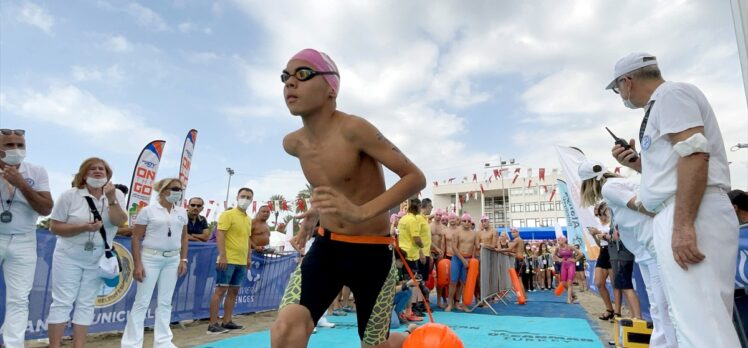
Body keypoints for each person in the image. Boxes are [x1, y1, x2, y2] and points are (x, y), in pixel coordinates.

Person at [271, 48, 425, 348]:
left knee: (374, 345)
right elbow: (326, 187)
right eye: (285, 77)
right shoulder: (294, 144)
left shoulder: (354, 129)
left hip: (372, 252)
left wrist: (361, 212)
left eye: (303, 74)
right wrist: (310, 221)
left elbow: (414, 177)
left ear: (331, 88)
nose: (290, 83)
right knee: (285, 330)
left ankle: (407, 339)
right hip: (327, 247)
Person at [608, 52, 739, 347]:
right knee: (695, 319)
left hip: (690, 209)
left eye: (617, 89)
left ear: (627, 82)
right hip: (684, 208)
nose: (620, 96)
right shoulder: (663, 102)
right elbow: (672, 168)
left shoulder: (670, 95)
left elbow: (695, 152)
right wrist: (638, 165)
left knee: (702, 323)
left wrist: (682, 225)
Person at [579, 159, 676, 347]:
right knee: (659, 306)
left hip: (652, 248)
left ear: (588, 184)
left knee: (662, 306)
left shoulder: (610, 188)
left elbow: (648, 208)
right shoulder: (617, 186)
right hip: (647, 250)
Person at [47, 158, 127, 348]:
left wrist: (112, 199)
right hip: (68, 256)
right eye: (93, 169)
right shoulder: (69, 196)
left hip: (97, 258)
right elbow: (55, 227)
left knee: (86, 303)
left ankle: (79, 346)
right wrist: (83, 227)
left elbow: (119, 221)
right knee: (62, 302)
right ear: (84, 174)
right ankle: (55, 345)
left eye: (102, 169)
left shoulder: (116, 196)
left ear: (108, 175)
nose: (98, 171)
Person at [0, 129, 53, 348]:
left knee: (19, 299)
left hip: (24, 239)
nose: (15, 150)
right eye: (9, 145)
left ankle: (13, 344)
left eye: (20, 145)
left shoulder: (37, 171)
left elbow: (46, 208)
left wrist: (21, 183)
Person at [121, 178, 188, 348]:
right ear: (163, 190)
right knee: (142, 302)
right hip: (150, 258)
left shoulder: (182, 212)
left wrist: (183, 259)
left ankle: (163, 342)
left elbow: (184, 237)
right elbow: (136, 237)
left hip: (173, 259)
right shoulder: (148, 211)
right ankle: (131, 344)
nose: (178, 192)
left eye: (180, 189)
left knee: (165, 302)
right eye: (175, 188)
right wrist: (138, 264)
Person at [208, 187, 254, 333]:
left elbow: (247, 239)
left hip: (241, 262)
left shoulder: (248, 219)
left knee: (234, 291)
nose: (245, 199)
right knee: (220, 290)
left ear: (251, 200)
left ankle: (227, 321)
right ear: (237, 197)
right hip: (227, 260)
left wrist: (248, 257)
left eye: (248, 197)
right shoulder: (227, 214)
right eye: (243, 196)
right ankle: (212, 324)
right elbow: (220, 234)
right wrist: (223, 255)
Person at [587, 202, 615, 321]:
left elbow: (613, 240)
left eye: (599, 214)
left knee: (616, 285)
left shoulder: (612, 223)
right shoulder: (600, 224)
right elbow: (600, 243)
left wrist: (598, 233)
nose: (598, 217)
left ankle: (617, 311)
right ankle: (609, 309)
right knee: (599, 283)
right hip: (603, 252)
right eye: (596, 215)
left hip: (613, 252)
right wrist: (594, 235)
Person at [446, 213, 478, 312]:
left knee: (465, 283)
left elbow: (475, 247)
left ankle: (463, 304)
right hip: (457, 258)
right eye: (464, 221)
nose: (467, 223)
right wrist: (463, 260)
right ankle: (450, 304)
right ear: (461, 221)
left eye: (469, 221)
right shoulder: (457, 232)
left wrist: (472, 260)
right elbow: (454, 248)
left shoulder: (474, 233)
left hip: (468, 259)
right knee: (453, 282)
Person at [553, 236, 578, 304]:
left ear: (565, 240)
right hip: (563, 265)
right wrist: (559, 259)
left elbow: (580, 254)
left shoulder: (570, 247)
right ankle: (573, 295)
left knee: (569, 282)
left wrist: (575, 260)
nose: (559, 241)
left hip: (571, 265)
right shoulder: (558, 248)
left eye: (560, 239)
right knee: (563, 283)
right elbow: (554, 256)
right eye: (558, 240)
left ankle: (569, 299)